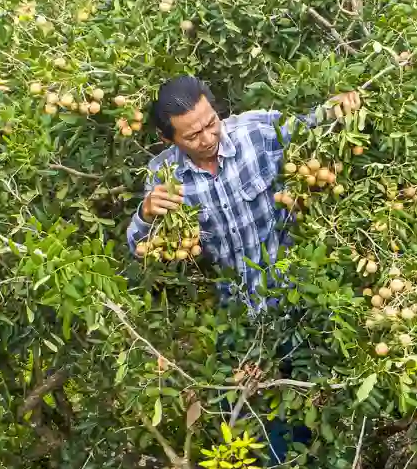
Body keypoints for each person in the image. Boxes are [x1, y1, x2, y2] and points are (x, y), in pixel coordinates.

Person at [126, 75, 361, 310]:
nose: (208, 139)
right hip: (237, 312)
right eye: (193, 136)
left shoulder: (255, 132)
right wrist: (145, 216)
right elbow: (143, 249)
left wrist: (336, 106)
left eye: (211, 123)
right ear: (167, 138)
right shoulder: (164, 175)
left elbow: (307, 124)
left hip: (297, 296)